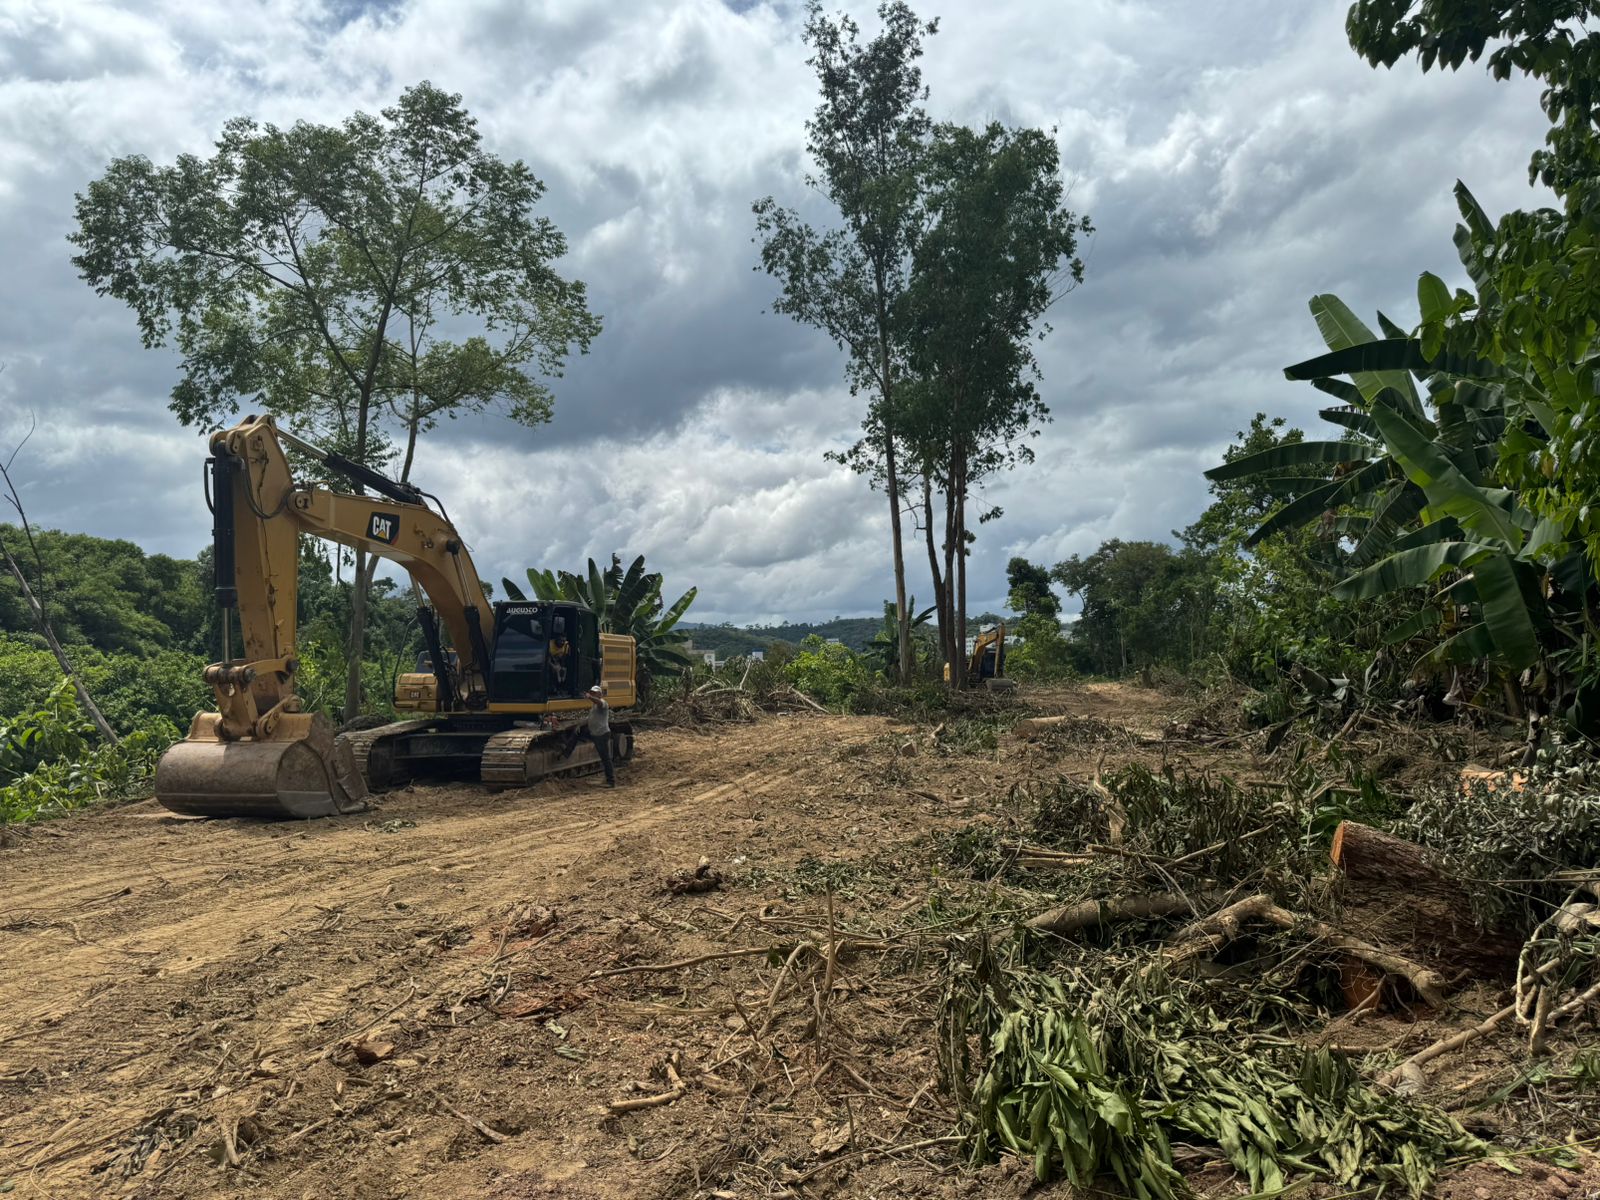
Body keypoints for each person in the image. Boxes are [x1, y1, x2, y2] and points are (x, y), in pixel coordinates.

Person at [560, 684, 616, 786]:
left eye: (594, 693)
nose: (592, 694)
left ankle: (611, 781)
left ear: (599, 694)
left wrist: (590, 697)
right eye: (591, 693)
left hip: (601, 734)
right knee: (577, 733)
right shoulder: (594, 707)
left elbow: (599, 702)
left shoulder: (603, 703)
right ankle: (566, 752)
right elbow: (590, 718)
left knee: (605, 758)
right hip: (594, 733)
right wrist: (580, 725)